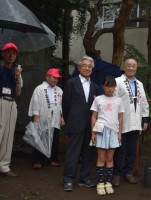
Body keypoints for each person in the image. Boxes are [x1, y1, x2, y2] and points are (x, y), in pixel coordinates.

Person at [62, 56, 99, 192]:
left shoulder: (95, 86)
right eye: (84, 65)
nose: (87, 68)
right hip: (75, 123)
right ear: (79, 68)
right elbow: (65, 104)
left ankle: (85, 177)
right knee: (73, 153)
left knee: (88, 153)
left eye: (90, 66)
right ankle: (69, 179)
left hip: (90, 125)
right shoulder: (71, 83)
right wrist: (68, 120)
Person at [112, 57, 149, 187]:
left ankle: (128, 172)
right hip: (121, 121)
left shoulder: (139, 84)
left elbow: (143, 102)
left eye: (134, 66)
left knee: (132, 149)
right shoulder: (118, 82)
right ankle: (116, 173)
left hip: (136, 121)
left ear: (136, 68)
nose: (131, 68)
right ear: (124, 66)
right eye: (129, 65)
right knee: (119, 149)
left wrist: (144, 118)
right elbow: (113, 101)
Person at [90, 76, 124, 196]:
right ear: (103, 86)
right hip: (101, 131)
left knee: (110, 158)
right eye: (107, 86)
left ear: (115, 87)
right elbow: (94, 116)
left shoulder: (119, 100)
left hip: (114, 132)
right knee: (101, 158)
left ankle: (108, 182)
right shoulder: (98, 99)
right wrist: (93, 133)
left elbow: (120, 117)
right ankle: (100, 182)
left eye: (112, 86)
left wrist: (119, 133)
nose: (110, 89)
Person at [28, 68, 64, 169]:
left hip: (55, 117)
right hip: (42, 116)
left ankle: (53, 159)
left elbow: (60, 105)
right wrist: (36, 115)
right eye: (54, 77)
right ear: (47, 76)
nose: (56, 80)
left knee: (54, 138)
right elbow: (36, 102)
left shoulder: (59, 90)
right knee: (40, 138)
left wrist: (62, 117)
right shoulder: (39, 89)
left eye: (57, 78)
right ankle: (38, 160)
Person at [0, 43, 22, 177]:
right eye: (8, 52)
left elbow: (18, 93)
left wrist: (17, 78)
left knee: (8, 136)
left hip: (12, 103)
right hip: (1, 101)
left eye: (14, 53)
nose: (11, 55)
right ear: (3, 53)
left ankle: (4, 166)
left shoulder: (16, 71)